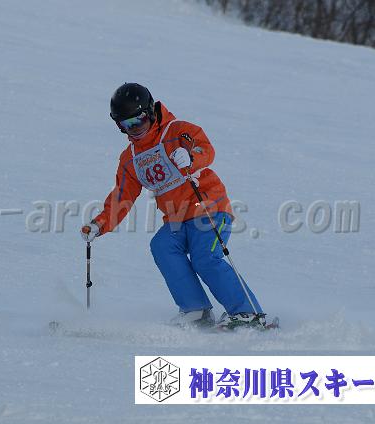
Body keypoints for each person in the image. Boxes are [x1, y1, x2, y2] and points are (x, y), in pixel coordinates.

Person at [80, 83, 265, 329]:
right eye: (126, 125)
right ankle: (196, 310)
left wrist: (191, 157)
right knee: (162, 245)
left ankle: (247, 313)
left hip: (208, 208)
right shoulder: (130, 159)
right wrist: (99, 224)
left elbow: (205, 149)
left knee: (204, 258)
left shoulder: (178, 131)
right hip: (176, 219)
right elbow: (123, 196)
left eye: (139, 121)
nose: (135, 129)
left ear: (150, 112)